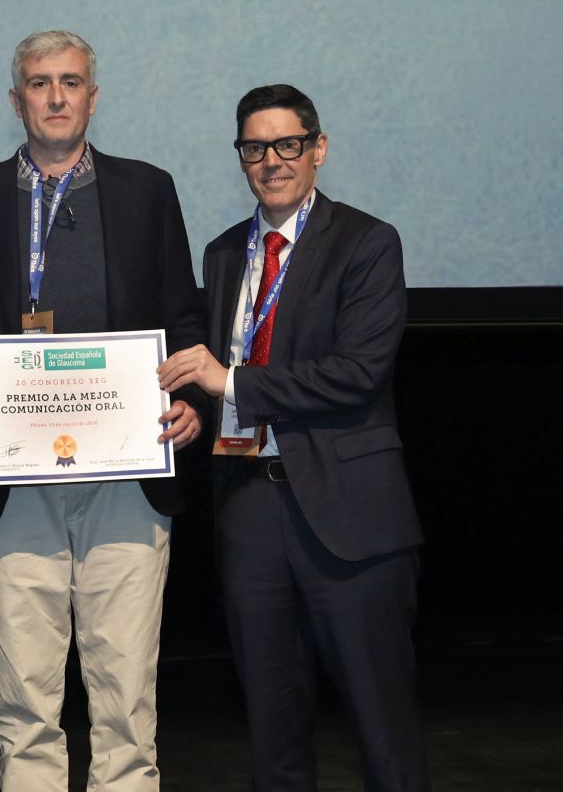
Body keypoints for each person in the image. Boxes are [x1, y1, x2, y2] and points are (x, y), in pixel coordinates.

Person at [0, 31, 205, 791]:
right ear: (17, 100)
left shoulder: (149, 190)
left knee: (125, 703)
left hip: (128, 478)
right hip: (8, 485)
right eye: (39, 84)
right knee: (24, 704)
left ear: (93, 97)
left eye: (70, 82)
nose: (54, 97)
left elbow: (183, 318)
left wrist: (187, 404)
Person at [157, 84, 429, 790]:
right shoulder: (222, 254)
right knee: (271, 729)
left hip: (351, 513)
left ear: (319, 149)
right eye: (256, 147)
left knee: (383, 724)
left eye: (288, 144)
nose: (272, 159)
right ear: (241, 157)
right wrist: (193, 404)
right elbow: (202, 367)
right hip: (250, 509)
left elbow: (358, 373)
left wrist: (232, 385)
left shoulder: (368, 242)